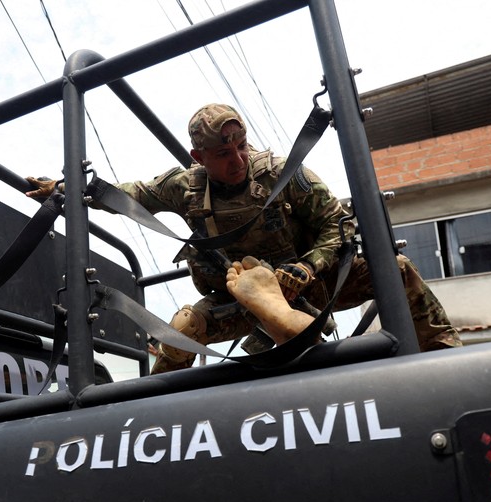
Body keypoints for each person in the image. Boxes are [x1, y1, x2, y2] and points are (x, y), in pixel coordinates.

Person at [27, 103, 462, 374]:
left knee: (398, 271)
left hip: (312, 282)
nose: (237, 159)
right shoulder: (186, 187)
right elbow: (133, 194)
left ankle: (447, 361)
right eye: (222, 153)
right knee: (183, 328)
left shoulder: (281, 173)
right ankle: (152, 404)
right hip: (243, 301)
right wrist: (72, 191)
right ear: (199, 157)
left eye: (241, 145)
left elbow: (339, 225)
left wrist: (307, 267)